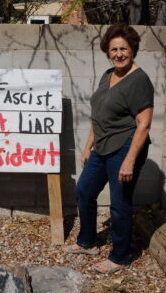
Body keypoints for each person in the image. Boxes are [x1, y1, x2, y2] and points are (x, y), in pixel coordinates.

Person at [63, 22, 154, 274]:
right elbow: (99, 114)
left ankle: (120, 257)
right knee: (84, 191)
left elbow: (143, 124)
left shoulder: (139, 80)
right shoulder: (108, 74)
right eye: (114, 49)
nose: (119, 54)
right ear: (107, 51)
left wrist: (129, 161)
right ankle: (88, 242)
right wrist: (87, 146)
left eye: (123, 48)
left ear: (133, 49)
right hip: (102, 145)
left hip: (125, 146)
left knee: (119, 202)